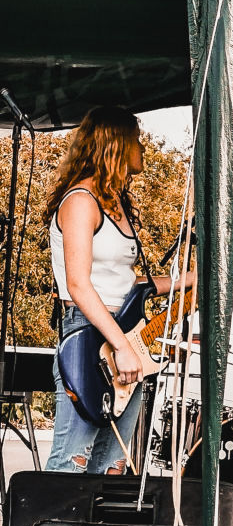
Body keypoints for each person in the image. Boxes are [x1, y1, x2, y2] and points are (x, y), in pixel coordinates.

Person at [44, 105, 194, 474]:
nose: (142, 148)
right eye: (136, 141)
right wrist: (123, 348)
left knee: (113, 464)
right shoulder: (81, 202)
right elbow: (79, 285)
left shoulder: (117, 204)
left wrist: (192, 279)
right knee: (72, 462)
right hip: (90, 334)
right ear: (115, 145)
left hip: (124, 333)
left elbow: (131, 285)